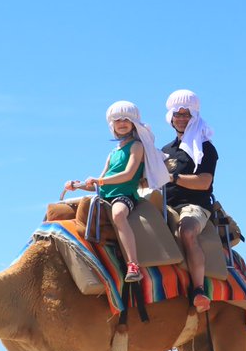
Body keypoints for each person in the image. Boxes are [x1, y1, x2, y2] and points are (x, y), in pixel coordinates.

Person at [65, 101, 169, 283]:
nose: (121, 123)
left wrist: (100, 181)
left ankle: (133, 264)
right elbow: (98, 183)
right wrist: (78, 185)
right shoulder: (113, 153)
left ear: (133, 123)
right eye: (117, 120)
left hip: (124, 195)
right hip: (104, 195)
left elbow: (128, 174)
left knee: (118, 214)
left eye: (126, 119)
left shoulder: (137, 146)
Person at [162, 89, 218, 313]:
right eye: (178, 114)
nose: (181, 119)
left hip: (193, 206)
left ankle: (198, 289)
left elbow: (204, 182)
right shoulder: (165, 151)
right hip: (164, 205)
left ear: (194, 117)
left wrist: (173, 178)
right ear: (171, 117)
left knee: (186, 231)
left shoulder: (205, 148)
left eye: (186, 114)